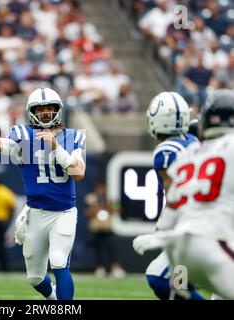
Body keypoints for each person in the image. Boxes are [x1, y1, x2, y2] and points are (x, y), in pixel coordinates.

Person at [0, 87, 86, 300]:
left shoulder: (73, 137)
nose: (46, 113)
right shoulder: (22, 135)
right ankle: (55, 300)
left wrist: (56, 146)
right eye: (40, 109)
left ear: (58, 110)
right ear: (31, 112)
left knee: (58, 260)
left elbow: (78, 173)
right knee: (35, 278)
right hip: (36, 212)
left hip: (63, 212)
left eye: (50, 108)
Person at [133, 89, 234, 299]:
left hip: (185, 246)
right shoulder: (200, 146)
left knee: (166, 279)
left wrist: (160, 233)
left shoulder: (188, 153)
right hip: (215, 241)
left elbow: (173, 203)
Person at [138, 91, 205, 300]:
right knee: (180, 286)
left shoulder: (165, 152)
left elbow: (176, 192)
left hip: (192, 225)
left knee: (158, 277)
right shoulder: (192, 140)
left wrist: (163, 227)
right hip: (205, 220)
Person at [84, 182, 125, 278]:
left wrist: (108, 207)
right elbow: (87, 214)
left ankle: (115, 268)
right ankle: (99, 268)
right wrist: (96, 208)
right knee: (98, 249)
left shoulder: (109, 199)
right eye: (99, 188)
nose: (101, 190)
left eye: (103, 188)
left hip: (107, 229)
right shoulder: (91, 200)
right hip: (96, 229)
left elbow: (118, 210)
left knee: (111, 249)